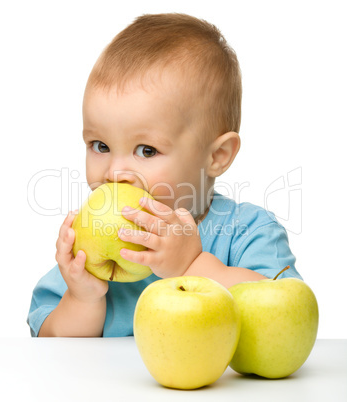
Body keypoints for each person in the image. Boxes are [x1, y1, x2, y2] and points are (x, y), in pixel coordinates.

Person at [27, 13, 301, 338]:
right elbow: (49, 348)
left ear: (217, 156)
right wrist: (82, 297)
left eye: (146, 150)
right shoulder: (89, 249)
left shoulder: (246, 232)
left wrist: (192, 265)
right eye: (100, 145)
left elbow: (287, 318)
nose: (115, 173)